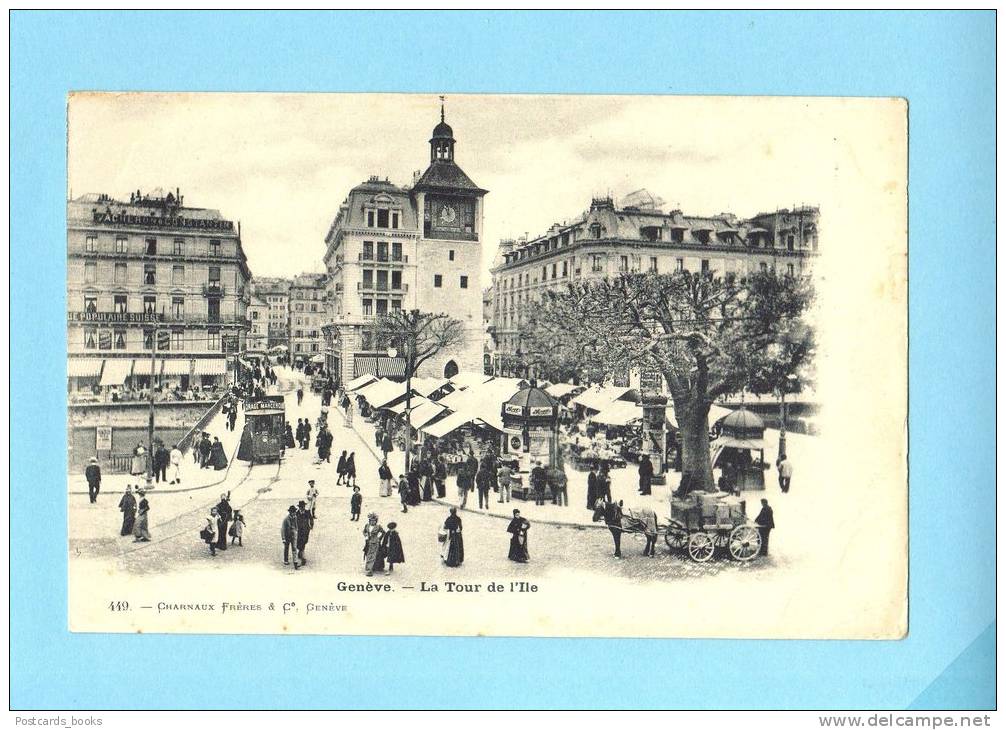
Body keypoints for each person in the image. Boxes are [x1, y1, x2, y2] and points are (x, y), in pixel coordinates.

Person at [296, 501, 312, 565]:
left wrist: (311, 525)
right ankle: (302, 555)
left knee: (304, 541)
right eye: (301, 507)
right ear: (299, 507)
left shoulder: (307, 512)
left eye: (303, 507)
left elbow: (311, 519)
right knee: (299, 543)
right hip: (299, 531)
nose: (302, 508)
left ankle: (301, 554)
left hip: (306, 530)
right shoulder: (296, 513)